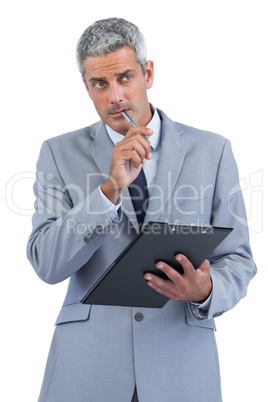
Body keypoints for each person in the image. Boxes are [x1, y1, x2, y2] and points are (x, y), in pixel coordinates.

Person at [27, 17, 256, 402]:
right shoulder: (57, 152)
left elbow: (238, 259)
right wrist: (109, 190)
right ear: (86, 87)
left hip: (181, 368)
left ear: (148, 74)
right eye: (100, 83)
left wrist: (207, 288)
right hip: (87, 370)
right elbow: (46, 264)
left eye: (125, 77)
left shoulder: (212, 150)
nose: (115, 96)